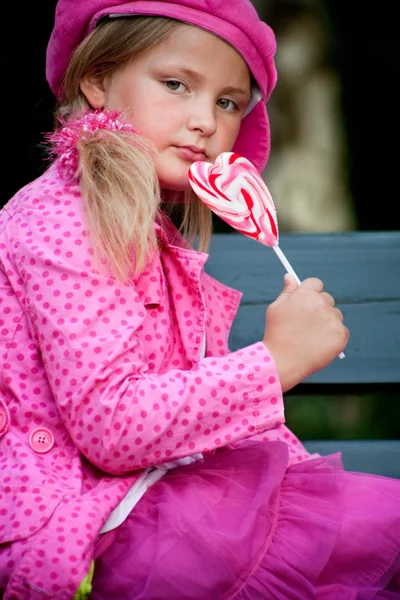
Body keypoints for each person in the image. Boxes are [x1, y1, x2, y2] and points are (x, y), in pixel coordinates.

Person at [0, 1, 399, 598]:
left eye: (227, 102)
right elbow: (112, 428)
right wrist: (274, 361)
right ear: (98, 80)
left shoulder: (133, 219)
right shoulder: (66, 221)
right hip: (92, 527)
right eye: (176, 84)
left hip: (152, 498)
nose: (205, 120)